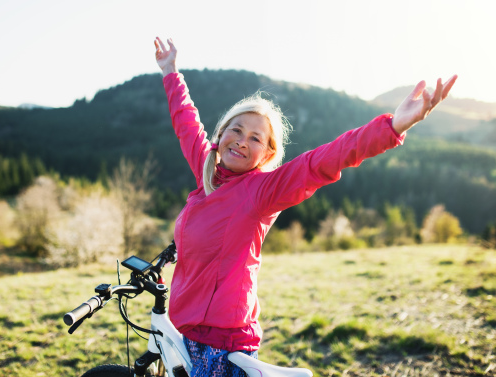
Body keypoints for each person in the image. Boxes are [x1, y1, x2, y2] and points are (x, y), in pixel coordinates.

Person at [154, 36, 456, 377]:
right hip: (183, 323)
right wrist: (170, 71)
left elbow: (322, 161)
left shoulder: (262, 191)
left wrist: (393, 126)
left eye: (255, 138)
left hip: (219, 338)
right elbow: (185, 121)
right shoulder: (207, 170)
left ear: (267, 155)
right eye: (236, 130)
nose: (242, 140)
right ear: (220, 135)